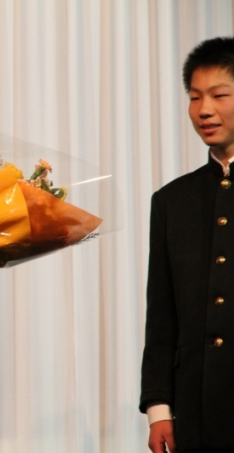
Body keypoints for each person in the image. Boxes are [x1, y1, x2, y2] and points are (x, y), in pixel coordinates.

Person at [140, 36, 234, 453]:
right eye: (195, 98)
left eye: (219, 95)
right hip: (197, 414)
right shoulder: (172, 201)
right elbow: (162, 316)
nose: (204, 110)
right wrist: (159, 408)